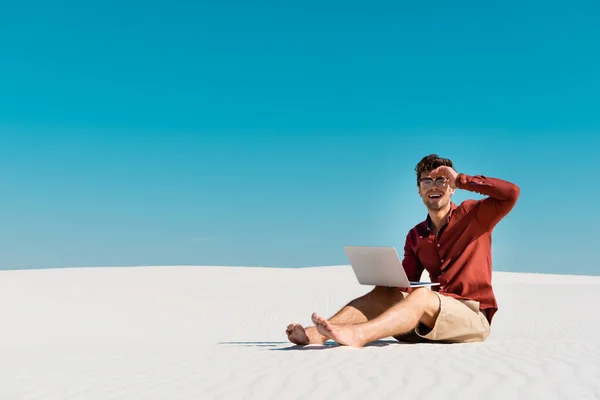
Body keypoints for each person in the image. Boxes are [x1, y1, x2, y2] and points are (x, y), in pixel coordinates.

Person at [285, 154, 520, 348]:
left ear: (452, 189)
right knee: (384, 293)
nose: (434, 186)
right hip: (431, 317)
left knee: (423, 296)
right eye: (426, 181)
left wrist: (462, 179)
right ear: (419, 191)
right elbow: (406, 284)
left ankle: (359, 335)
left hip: (472, 317)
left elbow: (511, 193)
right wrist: (387, 280)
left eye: (441, 180)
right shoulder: (416, 235)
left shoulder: (474, 215)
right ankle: (317, 335)